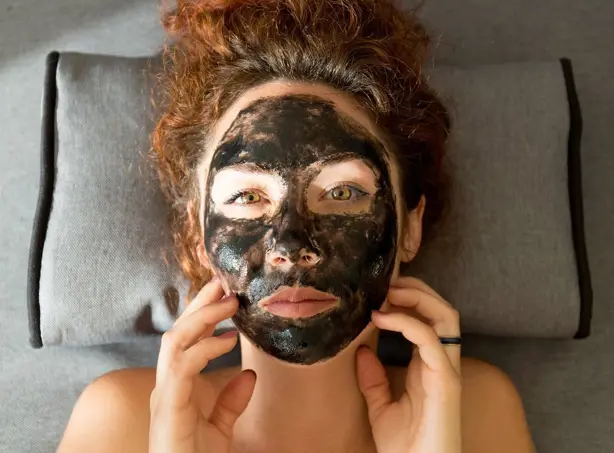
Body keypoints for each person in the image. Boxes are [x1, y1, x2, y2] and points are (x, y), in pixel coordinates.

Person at [57, 1, 535, 452]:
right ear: (199, 235)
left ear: (410, 225)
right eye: (247, 197)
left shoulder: (473, 412)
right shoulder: (121, 422)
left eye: (343, 193)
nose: (291, 246)